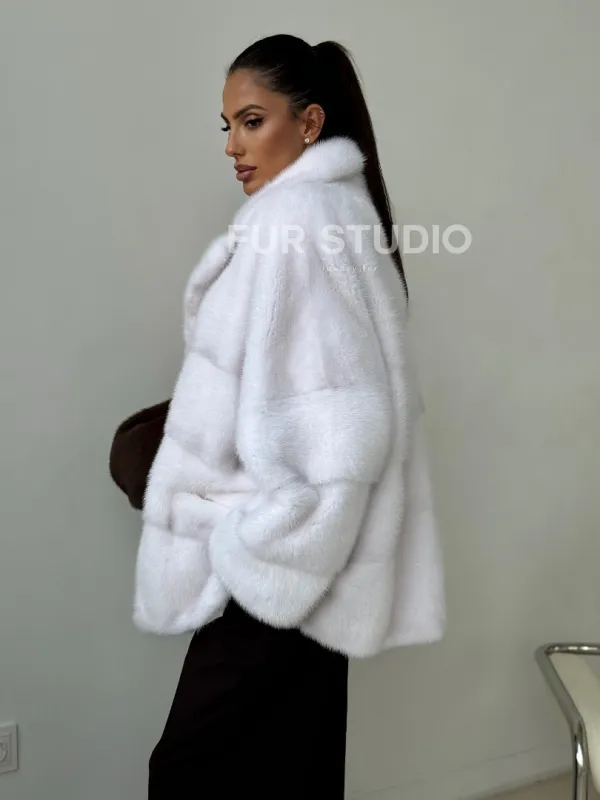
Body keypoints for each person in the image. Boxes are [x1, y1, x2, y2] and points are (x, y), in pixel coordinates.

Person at [110, 33, 445, 799]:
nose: (232, 146)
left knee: (190, 770)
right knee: (299, 759)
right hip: (317, 559)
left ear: (311, 121)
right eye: (227, 125)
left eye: (252, 121)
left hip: (281, 565)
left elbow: (348, 423)